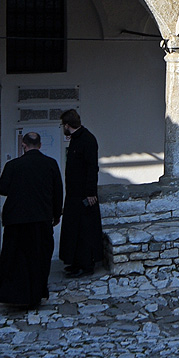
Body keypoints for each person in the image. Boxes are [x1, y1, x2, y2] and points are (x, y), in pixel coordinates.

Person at [0, 131, 62, 309]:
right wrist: (56, 215)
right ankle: (36, 294)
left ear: (24, 145)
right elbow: (58, 192)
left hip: (16, 218)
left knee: (15, 257)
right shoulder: (50, 164)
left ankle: (11, 293)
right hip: (41, 217)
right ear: (39, 145)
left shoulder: (13, 165)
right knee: (39, 257)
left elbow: (3, 189)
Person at [59, 109, 111, 276]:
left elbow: (91, 168)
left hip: (83, 194)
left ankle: (85, 265)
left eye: (63, 125)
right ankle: (75, 262)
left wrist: (90, 192)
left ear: (67, 125)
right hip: (74, 193)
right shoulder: (77, 139)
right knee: (74, 230)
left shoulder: (87, 140)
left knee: (84, 231)